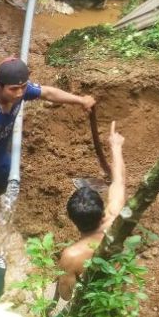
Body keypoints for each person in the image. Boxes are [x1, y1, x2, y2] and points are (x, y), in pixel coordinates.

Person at [0, 58, 96, 215]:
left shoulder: (22, 91)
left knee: (2, 182)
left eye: (23, 87)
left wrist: (80, 100)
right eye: (14, 89)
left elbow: (49, 93)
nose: (19, 93)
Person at [57, 123, 126, 300]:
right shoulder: (116, 218)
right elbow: (119, 181)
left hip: (92, 300)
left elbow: (66, 296)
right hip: (118, 284)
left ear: (73, 220)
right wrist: (115, 146)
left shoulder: (71, 256)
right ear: (103, 213)